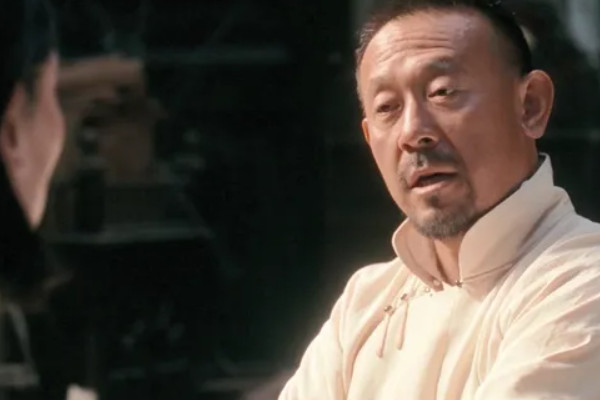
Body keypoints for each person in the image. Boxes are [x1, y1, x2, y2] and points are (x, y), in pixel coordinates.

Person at [278, 0, 600, 399]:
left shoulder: (583, 280)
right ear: (369, 139)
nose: (412, 132)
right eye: (387, 107)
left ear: (530, 105)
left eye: (442, 92)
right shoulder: (365, 300)